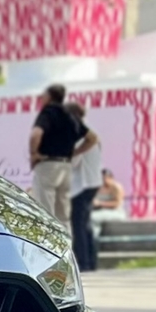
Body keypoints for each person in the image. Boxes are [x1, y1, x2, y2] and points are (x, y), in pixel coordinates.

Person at [28, 83, 80, 221]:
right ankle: (66, 242)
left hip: (48, 163)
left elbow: (36, 134)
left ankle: (48, 241)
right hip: (66, 165)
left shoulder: (48, 112)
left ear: (49, 97)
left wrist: (34, 154)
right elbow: (86, 137)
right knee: (63, 212)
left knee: (45, 207)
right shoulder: (69, 115)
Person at [64, 101, 102, 271]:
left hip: (82, 184)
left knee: (78, 225)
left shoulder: (79, 136)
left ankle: (84, 263)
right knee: (85, 225)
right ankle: (91, 261)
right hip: (92, 182)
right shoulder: (91, 134)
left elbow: (73, 161)